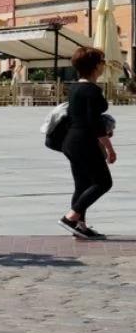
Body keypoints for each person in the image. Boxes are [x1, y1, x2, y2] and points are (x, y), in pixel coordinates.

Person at [59, 46, 116, 239]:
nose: (103, 65)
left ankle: (80, 226)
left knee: (82, 185)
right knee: (103, 182)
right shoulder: (91, 90)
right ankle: (70, 218)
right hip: (85, 142)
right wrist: (109, 148)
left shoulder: (75, 87)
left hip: (71, 142)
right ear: (95, 66)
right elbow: (94, 124)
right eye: (101, 61)